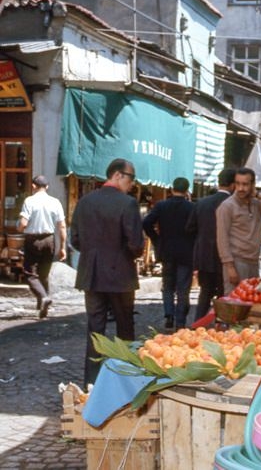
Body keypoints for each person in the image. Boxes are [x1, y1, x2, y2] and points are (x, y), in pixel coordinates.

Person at [71, 158, 144, 387]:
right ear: (118, 175)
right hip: (120, 273)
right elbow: (136, 244)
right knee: (124, 328)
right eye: (131, 179)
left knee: (95, 330)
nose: (132, 184)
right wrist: (123, 255)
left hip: (91, 273)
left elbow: (75, 240)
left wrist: (95, 254)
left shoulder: (84, 202)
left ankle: (91, 382)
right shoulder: (128, 203)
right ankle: (125, 381)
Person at [216, 167, 261, 294]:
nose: (241, 188)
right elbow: (222, 238)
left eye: (245, 184)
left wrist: (259, 194)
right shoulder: (227, 206)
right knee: (234, 304)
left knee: (251, 302)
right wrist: (230, 267)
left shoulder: (256, 203)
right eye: (238, 183)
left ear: (252, 185)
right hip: (237, 262)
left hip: (254, 261)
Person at [143, 177, 195, 330]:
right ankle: (180, 321)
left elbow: (146, 223)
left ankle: (169, 315)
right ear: (186, 191)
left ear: (172, 189)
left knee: (168, 286)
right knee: (183, 288)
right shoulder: (192, 208)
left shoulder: (162, 205)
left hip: (166, 250)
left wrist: (156, 239)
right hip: (186, 252)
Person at [186, 168, 235, 320]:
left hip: (205, 256)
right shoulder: (234, 204)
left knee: (205, 294)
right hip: (227, 258)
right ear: (233, 185)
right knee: (224, 295)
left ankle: (198, 325)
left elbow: (189, 228)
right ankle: (222, 328)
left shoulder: (202, 203)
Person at [17, 175, 67, 319]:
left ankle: (43, 298)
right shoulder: (55, 202)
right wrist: (62, 247)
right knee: (44, 274)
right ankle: (42, 307)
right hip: (49, 240)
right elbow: (62, 226)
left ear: (33, 186)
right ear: (47, 187)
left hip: (33, 240)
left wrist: (19, 228)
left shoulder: (29, 201)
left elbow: (23, 224)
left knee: (30, 274)